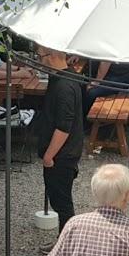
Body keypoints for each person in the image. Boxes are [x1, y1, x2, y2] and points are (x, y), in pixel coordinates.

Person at [34, 45, 84, 242]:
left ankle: (67, 246)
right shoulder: (66, 77)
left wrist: (49, 155)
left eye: (40, 56)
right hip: (65, 151)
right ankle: (64, 244)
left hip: (62, 155)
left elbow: (64, 126)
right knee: (60, 199)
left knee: (62, 203)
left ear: (53, 55)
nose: (39, 60)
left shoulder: (64, 86)